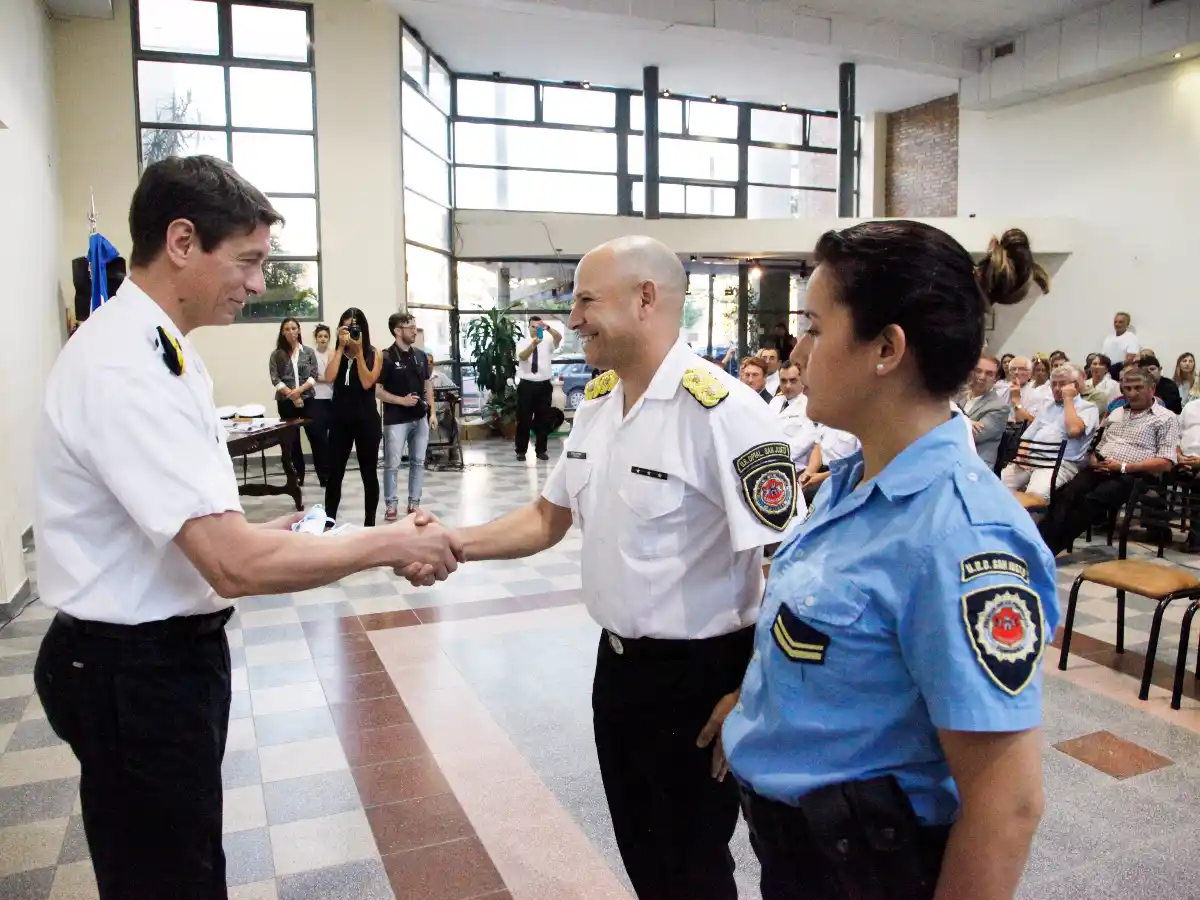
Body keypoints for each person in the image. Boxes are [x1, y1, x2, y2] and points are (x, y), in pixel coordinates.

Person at [31, 155, 461, 900]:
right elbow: (232, 564)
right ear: (182, 241)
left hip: (151, 660)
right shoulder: (128, 365)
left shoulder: (161, 349)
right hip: (133, 673)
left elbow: (198, 529)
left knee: (180, 859)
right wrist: (393, 542)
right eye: (251, 261)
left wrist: (289, 535)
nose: (261, 284)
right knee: (169, 878)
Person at [714, 220, 1058, 900]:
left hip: (865, 868)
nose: (799, 350)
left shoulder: (960, 535)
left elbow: (1006, 805)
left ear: (885, 348)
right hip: (803, 846)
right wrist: (756, 705)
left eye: (814, 326)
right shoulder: (856, 481)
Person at [452, 235, 800, 900]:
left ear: (647, 299)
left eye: (586, 300)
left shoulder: (727, 413)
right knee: (645, 856)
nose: (574, 318)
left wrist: (757, 690)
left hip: (700, 680)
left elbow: (791, 558)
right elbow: (546, 518)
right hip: (617, 669)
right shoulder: (599, 405)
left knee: (691, 870)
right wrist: (449, 543)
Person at [1037, 367, 1180, 555]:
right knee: (1066, 493)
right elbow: (1100, 444)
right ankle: (1036, 543)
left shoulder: (1165, 418)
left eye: (1138, 388)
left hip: (1136, 475)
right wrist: (1095, 458)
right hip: (1103, 468)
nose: (1132, 393)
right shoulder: (1117, 412)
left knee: (1090, 502)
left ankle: (1046, 552)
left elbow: (1166, 461)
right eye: (1127, 388)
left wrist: (1123, 467)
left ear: (1151, 388)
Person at [1000, 364, 1098, 500]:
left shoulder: (1088, 408)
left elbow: (1073, 430)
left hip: (1059, 464)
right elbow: (1028, 436)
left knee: (1035, 496)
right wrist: (1021, 455)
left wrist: (1068, 399)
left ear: (1074, 386)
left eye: (1062, 384)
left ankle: (1025, 520)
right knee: (998, 487)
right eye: (1054, 384)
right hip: (1031, 458)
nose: (1057, 389)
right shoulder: (1047, 406)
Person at [325, 307, 384, 526]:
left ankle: (370, 524)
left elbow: (368, 382)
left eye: (355, 327)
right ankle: (329, 521)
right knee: (334, 474)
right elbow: (329, 377)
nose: (351, 331)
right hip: (339, 420)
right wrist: (341, 347)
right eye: (346, 327)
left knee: (369, 474)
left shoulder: (374, 353)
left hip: (366, 420)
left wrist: (358, 353)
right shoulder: (336, 352)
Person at [376, 312, 434, 520]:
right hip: (395, 420)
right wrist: (401, 401)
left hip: (419, 418)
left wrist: (432, 411)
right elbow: (377, 390)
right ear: (397, 331)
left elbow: (427, 384)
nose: (414, 330)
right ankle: (391, 505)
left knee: (418, 462)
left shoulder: (420, 355)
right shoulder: (386, 357)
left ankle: (414, 503)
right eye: (410, 327)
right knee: (392, 464)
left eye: (415, 326)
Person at [268, 316, 322, 487]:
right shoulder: (276, 354)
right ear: (282, 333)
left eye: (293, 328)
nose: (291, 331)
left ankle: (324, 475)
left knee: (317, 437)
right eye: (287, 329)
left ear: (298, 330)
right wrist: (291, 395)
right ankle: (298, 476)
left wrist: (299, 392)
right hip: (285, 401)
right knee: (292, 440)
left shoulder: (308, 352)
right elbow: (275, 379)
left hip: (308, 398)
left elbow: (314, 376)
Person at [514, 314, 561, 461]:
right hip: (526, 385)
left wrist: (547, 328)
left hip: (544, 386)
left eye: (538, 327)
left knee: (543, 419)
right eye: (533, 327)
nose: (535, 329)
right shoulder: (522, 342)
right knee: (524, 419)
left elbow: (558, 338)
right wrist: (533, 344)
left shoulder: (547, 342)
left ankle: (541, 450)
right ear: (528, 327)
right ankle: (521, 451)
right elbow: (522, 356)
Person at [955, 355, 1010, 468]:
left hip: (976, 465)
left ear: (996, 378)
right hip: (952, 457)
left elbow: (972, 435)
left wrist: (957, 419)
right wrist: (966, 421)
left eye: (989, 373)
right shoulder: (958, 396)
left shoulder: (999, 407)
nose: (982, 377)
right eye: (978, 371)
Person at [771, 361, 821, 467]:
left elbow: (806, 440)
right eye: (783, 381)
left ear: (802, 379)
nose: (788, 386)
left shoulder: (810, 405)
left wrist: (773, 456)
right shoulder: (774, 402)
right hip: (769, 463)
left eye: (793, 380)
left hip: (796, 467)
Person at [309, 323, 335, 485]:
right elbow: (311, 376)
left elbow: (333, 376)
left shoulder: (334, 354)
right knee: (319, 441)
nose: (323, 339)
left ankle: (333, 473)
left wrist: (324, 377)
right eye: (320, 336)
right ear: (316, 339)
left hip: (332, 399)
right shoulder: (311, 355)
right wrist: (326, 378)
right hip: (316, 399)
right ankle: (322, 475)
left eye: (326, 336)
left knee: (332, 439)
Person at [1102, 312, 1140, 379]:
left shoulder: (1131, 338)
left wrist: (1114, 368)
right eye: (1115, 322)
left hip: (1121, 372)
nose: (1117, 324)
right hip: (1106, 371)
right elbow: (1102, 357)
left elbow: (1131, 359)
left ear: (1127, 324)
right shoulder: (1108, 338)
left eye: (1120, 322)